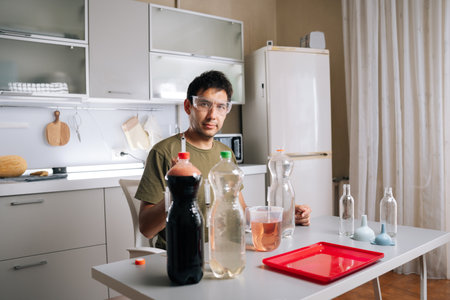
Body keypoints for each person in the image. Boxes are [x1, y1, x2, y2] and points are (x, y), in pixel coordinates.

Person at [135, 70, 311, 249]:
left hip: (223, 250)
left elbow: (242, 211)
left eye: (221, 107)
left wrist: (286, 216)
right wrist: (176, 195)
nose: (212, 115)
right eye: (204, 104)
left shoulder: (226, 154)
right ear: (188, 106)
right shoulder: (164, 152)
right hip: (178, 255)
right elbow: (146, 228)